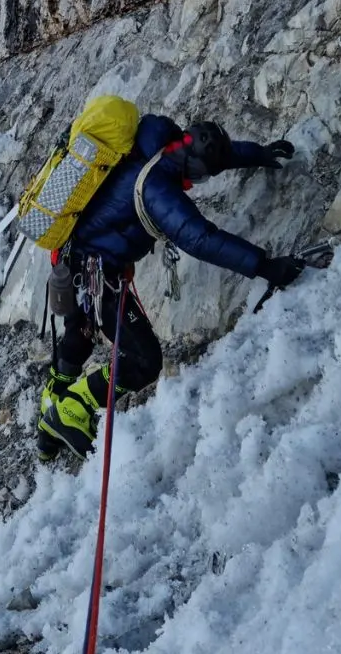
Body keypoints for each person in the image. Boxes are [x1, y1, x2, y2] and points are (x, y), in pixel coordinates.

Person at [37, 114, 304, 461]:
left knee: (80, 335)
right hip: (96, 272)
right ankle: (73, 406)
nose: (198, 182)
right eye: (199, 175)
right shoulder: (158, 188)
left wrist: (257, 153)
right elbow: (201, 239)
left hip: (71, 257)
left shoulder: (157, 139)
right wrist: (265, 265)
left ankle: (48, 427)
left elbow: (217, 155)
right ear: (190, 162)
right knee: (144, 360)